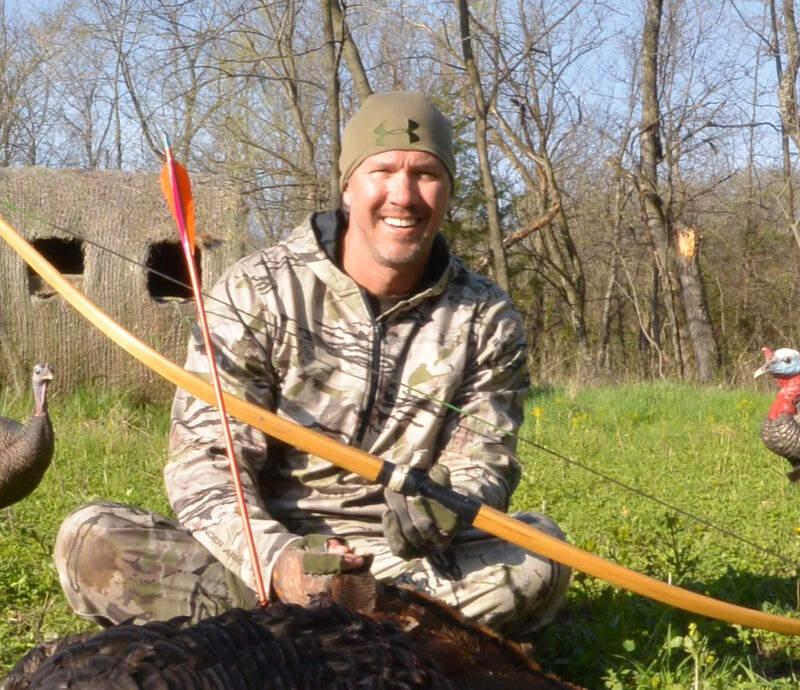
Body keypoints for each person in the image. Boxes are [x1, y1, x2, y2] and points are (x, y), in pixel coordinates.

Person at [54, 91, 570, 637]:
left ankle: (279, 643)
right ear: (349, 185)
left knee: (542, 554)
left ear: (448, 191)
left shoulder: (487, 316)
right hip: (261, 557)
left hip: (404, 568)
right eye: (383, 171)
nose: (404, 194)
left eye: (426, 173)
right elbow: (205, 464)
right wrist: (277, 561)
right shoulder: (256, 290)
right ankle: (381, 644)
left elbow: (484, 459)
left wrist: (451, 502)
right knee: (90, 540)